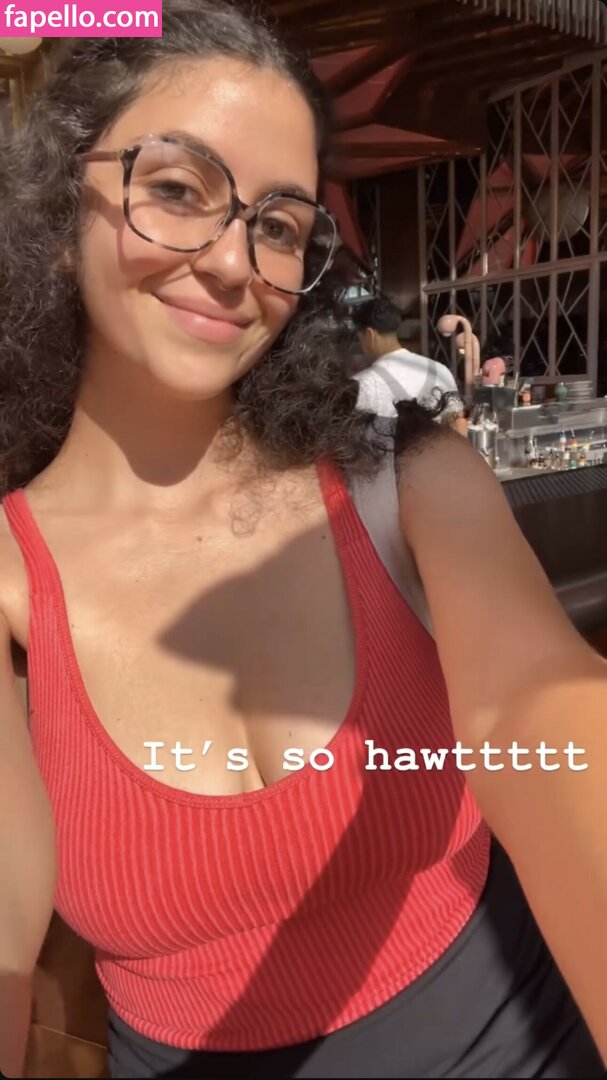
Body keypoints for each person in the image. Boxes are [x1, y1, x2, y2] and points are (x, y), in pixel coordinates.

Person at [0, 3, 606, 1077]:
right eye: (177, 190)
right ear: (56, 213)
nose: (236, 261)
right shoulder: (11, 580)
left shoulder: (406, 481)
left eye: (279, 225)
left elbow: (543, 712)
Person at [350, 296, 465, 426]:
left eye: (360, 339)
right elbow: (457, 423)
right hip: (443, 439)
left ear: (369, 335)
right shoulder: (440, 370)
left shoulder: (362, 384)